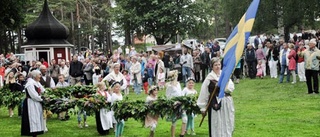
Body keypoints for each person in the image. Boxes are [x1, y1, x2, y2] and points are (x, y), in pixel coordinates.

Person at [197, 58, 235, 137]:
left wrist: (226, 84)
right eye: (215, 65)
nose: (218, 67)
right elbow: (204, 93)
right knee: (217, 123)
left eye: (219, 64)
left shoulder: (225, 75)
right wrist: (203, 108)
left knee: (226, 122)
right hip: (215, 104)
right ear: (212, 67)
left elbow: (231, 88)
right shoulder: (209, 78)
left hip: (226, 103)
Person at [21, 70, 45, 137]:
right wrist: (42, 99)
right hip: (31, 102)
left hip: (37, 102)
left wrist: (47, 95)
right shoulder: (30, 84)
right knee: (33, 117)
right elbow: (33, 95)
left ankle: (37, 131)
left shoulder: (37, 83)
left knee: (37, 116)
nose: (40, 76)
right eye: (39, 75)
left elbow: (43, 90)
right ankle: (33, 133)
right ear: (35, 76)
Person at [165, 70, 186, 137]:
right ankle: (172, 136)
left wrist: (183, 99)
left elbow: (180, 93)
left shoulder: (178, 84)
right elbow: (168, 97)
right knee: (174, 122)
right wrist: (173, 103)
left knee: (185, 119)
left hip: (181, 104)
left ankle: (182, 134)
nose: (177, 76)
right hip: (174, 105)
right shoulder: (169, 86)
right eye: (176, 75)